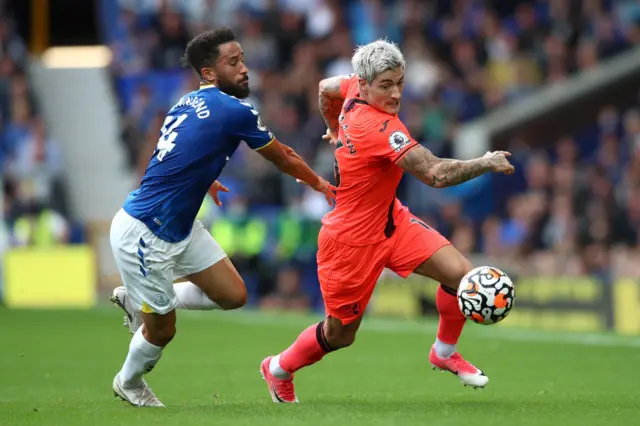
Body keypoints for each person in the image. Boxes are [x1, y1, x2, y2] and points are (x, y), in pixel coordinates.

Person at [259, 39, 514, 403]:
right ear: (364, 85)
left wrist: (332, 126)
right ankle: (279, 367)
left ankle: (443, 353)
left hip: (391, 221)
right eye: (386, 85)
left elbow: (325, 88)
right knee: (339, 335)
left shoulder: (349, 89)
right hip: (350, 242)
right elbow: (436, 175)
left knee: (460, 276)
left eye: (400, 83)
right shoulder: (377, 128)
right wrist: (485, 162)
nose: (396, 94)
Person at [109, 28, 335, 407]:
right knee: (162, 330)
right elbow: (283, 156)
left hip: (177, 226)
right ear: (209, 72)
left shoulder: (186, 102)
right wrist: (318, 184)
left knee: (233, 295)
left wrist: (206, 179)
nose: (245, 69)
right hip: (145, 233)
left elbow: (175, 153)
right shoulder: (234, 110)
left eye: (243, 59)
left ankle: (137, 298)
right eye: (233, 62)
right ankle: (128, 382)